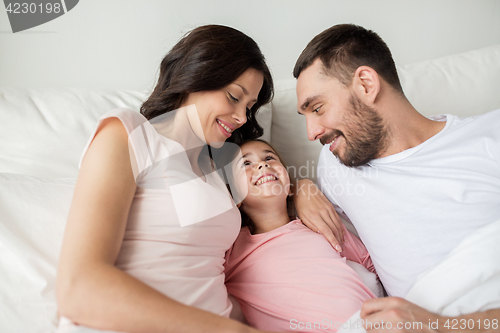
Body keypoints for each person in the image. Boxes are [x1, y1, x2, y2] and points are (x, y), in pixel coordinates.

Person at [55, 25, 282, 333]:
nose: (242, 117)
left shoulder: (222, 170)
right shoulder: (130, 134)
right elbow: (78, 289)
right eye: (233, 97)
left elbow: (271, 209)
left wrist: (307, 193)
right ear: (197, 75)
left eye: (249, 107)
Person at [292, 24, 500, 332]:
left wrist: (438, 326)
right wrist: (300, 188)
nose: (312, 132)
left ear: (365, 84)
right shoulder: (336, 163)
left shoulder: (490, 134)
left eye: (318, 108)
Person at [223, 139, 381, 332]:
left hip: (368, 323)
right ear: (235, 198)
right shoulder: (231, 247)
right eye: (246, 164)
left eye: (269, 158)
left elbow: (372, 264)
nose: (263, 164)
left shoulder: (318, 224)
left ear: (289, 185)